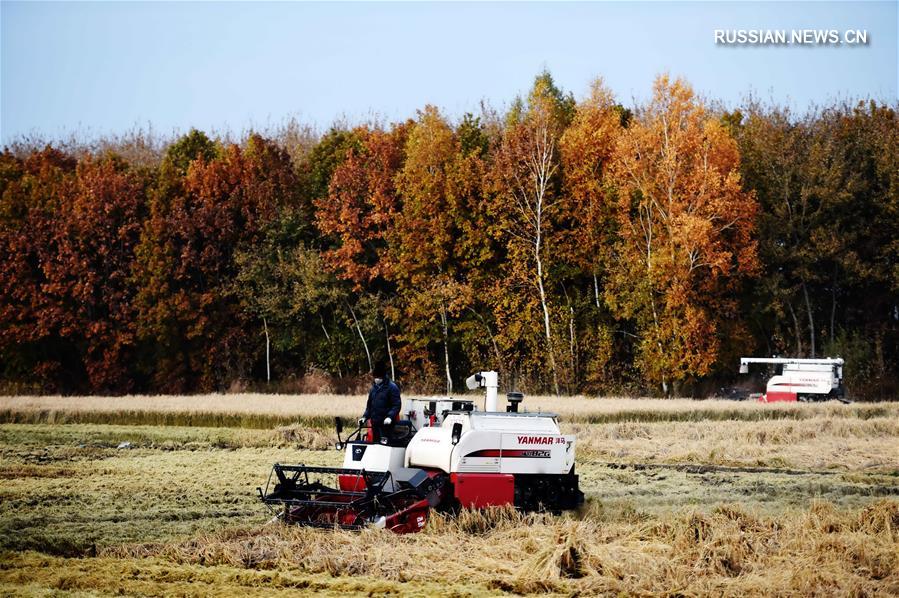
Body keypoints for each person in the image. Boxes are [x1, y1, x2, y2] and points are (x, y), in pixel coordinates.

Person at [359, 361, 402, 443]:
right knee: (375, 444)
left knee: (385, 445)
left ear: (383, 376)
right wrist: (364, 417)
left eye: (378, 377)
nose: (377, 379)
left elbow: (396, 405)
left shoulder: (392, 387)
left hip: (387, 425)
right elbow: (369, 406)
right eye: (375, 377)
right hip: (375, 424)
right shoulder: (373, 389)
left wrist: (389, 417)